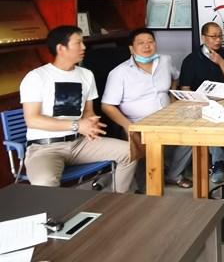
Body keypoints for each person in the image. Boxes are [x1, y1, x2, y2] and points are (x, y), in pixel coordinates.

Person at [20, 25, 136, 193]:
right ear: (61, 48)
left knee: (131, 151)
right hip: (45, 148)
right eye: (78, 43)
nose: (84, 47)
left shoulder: (86, 74)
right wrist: (76, 125)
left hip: (80, 143)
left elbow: (88, 111)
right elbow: (32, 120)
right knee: (44, 181)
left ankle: (118, 199)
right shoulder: (36, 77)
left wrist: (91, 123)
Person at [101, 28, 192, 192]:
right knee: (148, 187)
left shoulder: (165, 60)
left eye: (150, 42)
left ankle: (174, 174)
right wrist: (128, 126)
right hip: (138, 123)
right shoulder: (119, 73)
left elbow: (175, 77)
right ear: (131, 48)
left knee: (194, 135)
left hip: (168, 117)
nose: (147, 46)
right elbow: (107, 106)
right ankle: (146, 186)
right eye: (141, 43)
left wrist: (171, 97)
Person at [179, 22, 224, 183]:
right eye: (213, 36)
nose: (218, 40)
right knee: (209, 122)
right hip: (202, 104)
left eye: (220, 36)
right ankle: (218, 162)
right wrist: (198, 102)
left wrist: (221, 61)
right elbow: (185, 88)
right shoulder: (191, 59)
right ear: (203, 38)